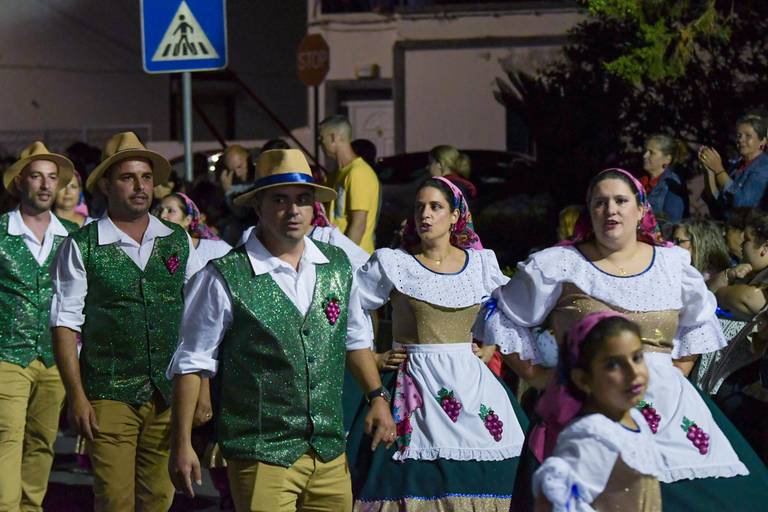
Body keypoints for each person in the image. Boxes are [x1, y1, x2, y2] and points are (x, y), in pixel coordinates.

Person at [475, 168, 768, 510]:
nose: (610, 210)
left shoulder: (672, 264)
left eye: (620, 200)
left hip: (670, 412)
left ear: (641, 209)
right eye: (600, 202)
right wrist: (539, 376)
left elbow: (697, 325)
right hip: (586, 408)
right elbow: (501, 314)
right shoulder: (559, 264)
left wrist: (670, 375)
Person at [167, 149, 395, 512]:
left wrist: (377, 397)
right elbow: (191, 363)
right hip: (261, 455)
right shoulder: (222, 276)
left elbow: (354, 339)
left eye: (302, 200)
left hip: (328, 452)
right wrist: (181, 443)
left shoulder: (337, 265)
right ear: (257, 206)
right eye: (280, 200)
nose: (293, 211)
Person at [348, 176, 527, 510]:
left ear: (455, 215)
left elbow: (506, 310)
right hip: (413, 386)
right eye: (419, 207)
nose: (425, 215)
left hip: (473, 386)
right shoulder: (395, 263)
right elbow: (350, 305)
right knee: (411, 478)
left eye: (435, 207)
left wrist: (490, 344)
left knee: (499, 476)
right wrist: (371, 355)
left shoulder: (481, 264)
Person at [50, 131, 202, 512]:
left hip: (167, 394)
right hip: (108, 393)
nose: (140, 187)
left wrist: (203, 388)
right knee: (115, 500)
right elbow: (65, 324)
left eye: (146, 177)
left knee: (159, 500)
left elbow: (200, 320)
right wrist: (76, 395)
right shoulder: (82, 245)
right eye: (128, 177)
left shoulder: (177, 240)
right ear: (105, 184)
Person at [0, 142, 78, 511]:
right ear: (20, 182)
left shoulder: (72, 235)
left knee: (42, 442)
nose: (46, 185)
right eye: (36, 176)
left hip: (54, 356)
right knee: (7, 438)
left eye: (52, 178)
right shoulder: (1, 230)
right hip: (6, 354)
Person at [532, 312, 663, 511]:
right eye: (613, 365)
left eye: (637, 358)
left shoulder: (634, 419)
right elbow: (552, 500)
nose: (633, 372)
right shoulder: (593, 435)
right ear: (583, 379)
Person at [319, 115, 380, 253]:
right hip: (335, 253)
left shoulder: (359, 173)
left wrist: (344, 259)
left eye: (321, 138)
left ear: (333, 138)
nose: (320, 144)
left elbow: (358, 225)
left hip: (355, 260)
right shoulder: (336, 174)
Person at [699, 113, 768, 210]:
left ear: (762, 141)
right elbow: (718, 202)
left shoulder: (764, 167)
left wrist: (719, 170)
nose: (740, 140)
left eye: (748, 136)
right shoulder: (737, 166)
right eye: (739, 135)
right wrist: (709, 170)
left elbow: (742, 204)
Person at [158, 192, 232, 266]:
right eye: (160, 211)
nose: (162, 216)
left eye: (170, 211)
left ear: (187, 220)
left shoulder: (217, 250)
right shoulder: (156, 252)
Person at [641, 133, 687, 224]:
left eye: (651, 153)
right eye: (645, 151)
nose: (645, 156)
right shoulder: (640, 182)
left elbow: (671, 223)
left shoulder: (672, 185)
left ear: (667, 159)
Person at [671, 218, 730, 284]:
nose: (673, 245)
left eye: (679, 241)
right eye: (673, 241)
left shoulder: (711, 277)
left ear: (699, 243)